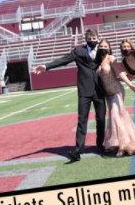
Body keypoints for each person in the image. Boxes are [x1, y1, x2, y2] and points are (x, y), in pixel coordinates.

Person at [32, 29, 105, 162]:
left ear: (98, 38)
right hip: (84, 91)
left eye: (95, 38)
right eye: (90, 38)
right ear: (86, 38)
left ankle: (100, 146)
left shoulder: (102, 50)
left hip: (100, 90)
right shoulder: (78, 51)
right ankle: (78, 150)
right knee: (82, 120)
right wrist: (46, 66)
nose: (92, 40)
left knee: (101, 120)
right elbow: (64, 60)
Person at [96, 40, 135, 157]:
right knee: (117, 117)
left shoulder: (111, 58)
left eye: (105, 46)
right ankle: (119, 143)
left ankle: (124, 145)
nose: (103, 48)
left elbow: (119, 73)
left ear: (109, 49)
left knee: (116, 115)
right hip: (107, 94)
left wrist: (129, 84)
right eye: (101, 46)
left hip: (116, 91)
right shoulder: (97, 61)